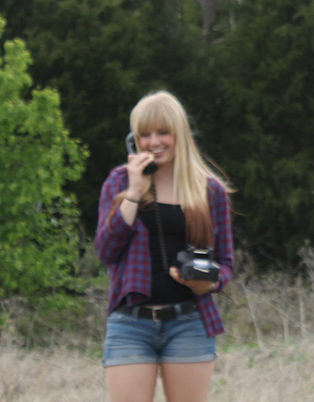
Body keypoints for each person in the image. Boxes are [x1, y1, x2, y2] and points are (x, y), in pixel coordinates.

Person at [94, 90, 234, 402]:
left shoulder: (210, 191)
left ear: (179, 134)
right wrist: (133, 193)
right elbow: (105, 251)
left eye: (162, 132)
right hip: (130, 323)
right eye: (144, 135)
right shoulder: (119, 182)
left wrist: (206, 283)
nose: (153, 142)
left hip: (189, 322)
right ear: (134, 140)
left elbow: (226, 263)